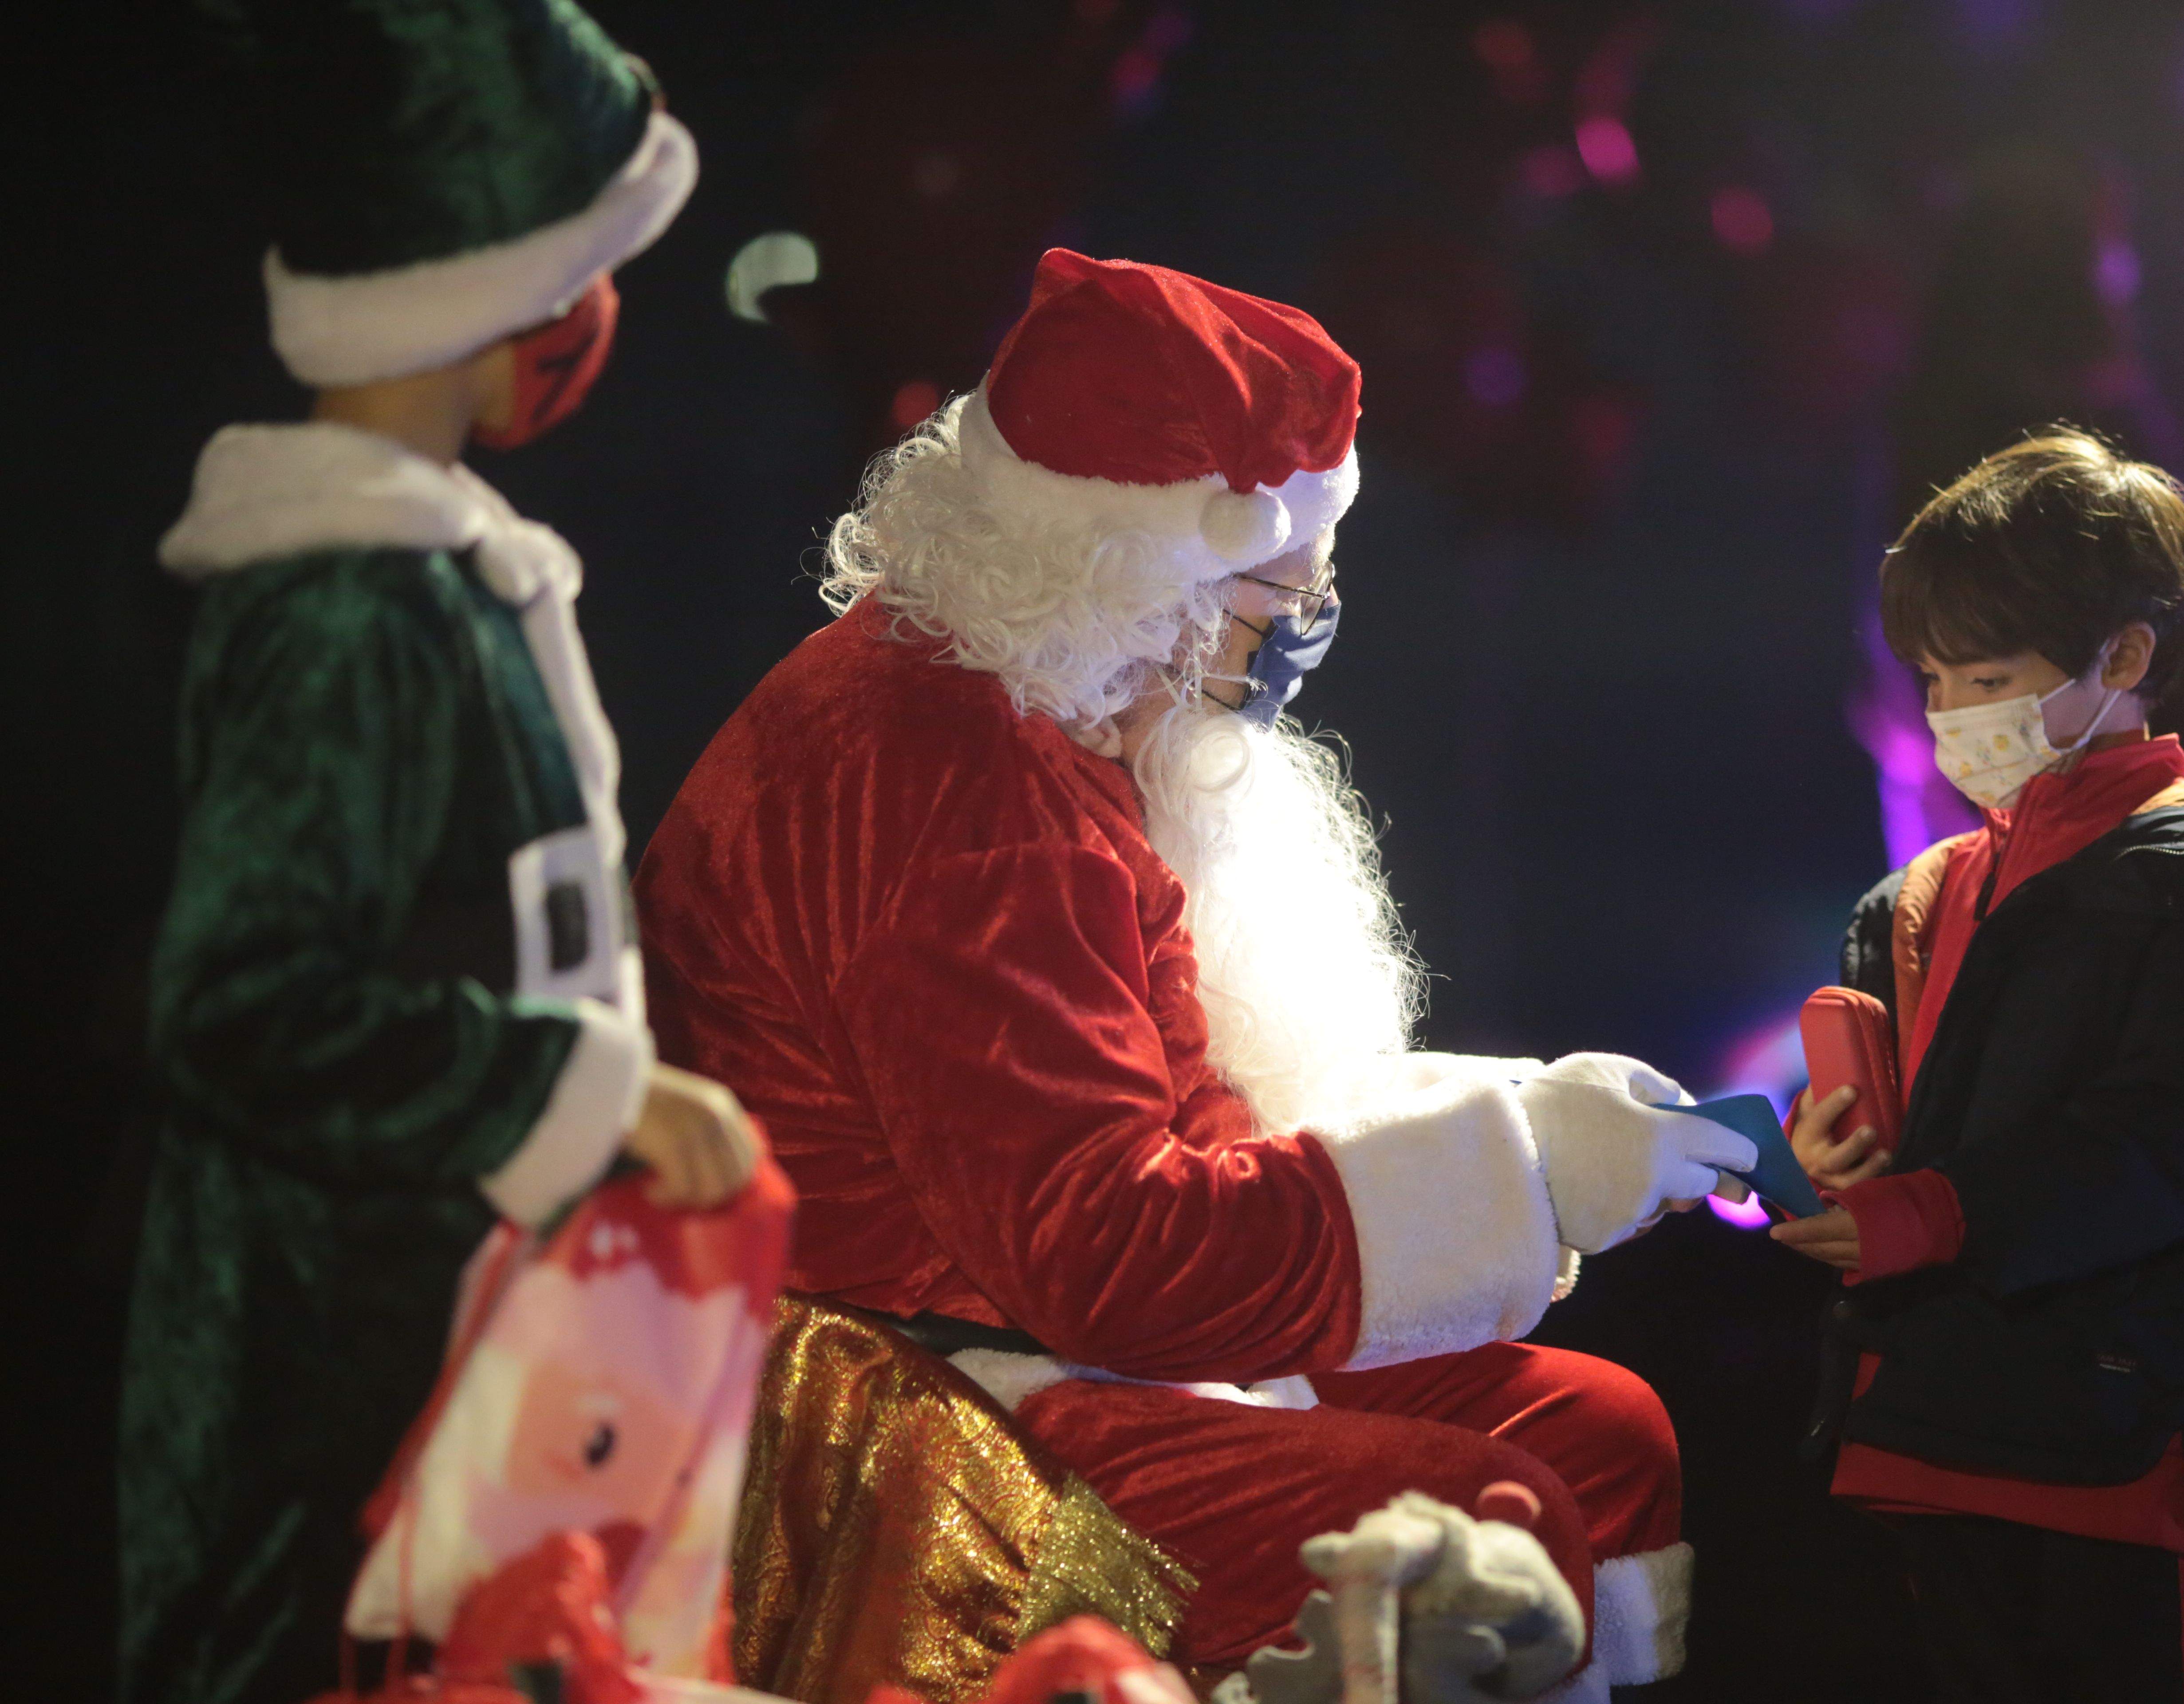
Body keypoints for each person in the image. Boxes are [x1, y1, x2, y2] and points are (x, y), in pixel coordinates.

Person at [635, 249, 1746, 1695]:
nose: (1301, 633)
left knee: (1596, 1434)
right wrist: (1521, 1174)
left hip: (1022, 1330)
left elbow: (1179, 1114)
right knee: (1473, 1530)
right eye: (1271, 588)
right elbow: (1107, 1258)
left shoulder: (1053, 714)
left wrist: (1521, 1121)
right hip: (906, 1413)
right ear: (1124, 572)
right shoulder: (955, 788)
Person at [126, 6, 757, 1700]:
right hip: (326, 1386)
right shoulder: (342, 611)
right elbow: (242, 1004)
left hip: (452, 1340)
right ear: (496, 280)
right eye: (587, 264)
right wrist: (581, 1094)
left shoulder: (441, 581)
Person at [1770, 430, 2184, 1703]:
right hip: (1927, 1423)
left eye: (1988, 674)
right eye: (1931, 681)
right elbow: (1900, 1133)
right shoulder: (1924, 892)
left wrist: (1925, 1214)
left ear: (2126, 657)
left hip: (2115, 1449)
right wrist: (1823, 1162)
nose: (1954, 717)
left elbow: (2172, 1139)